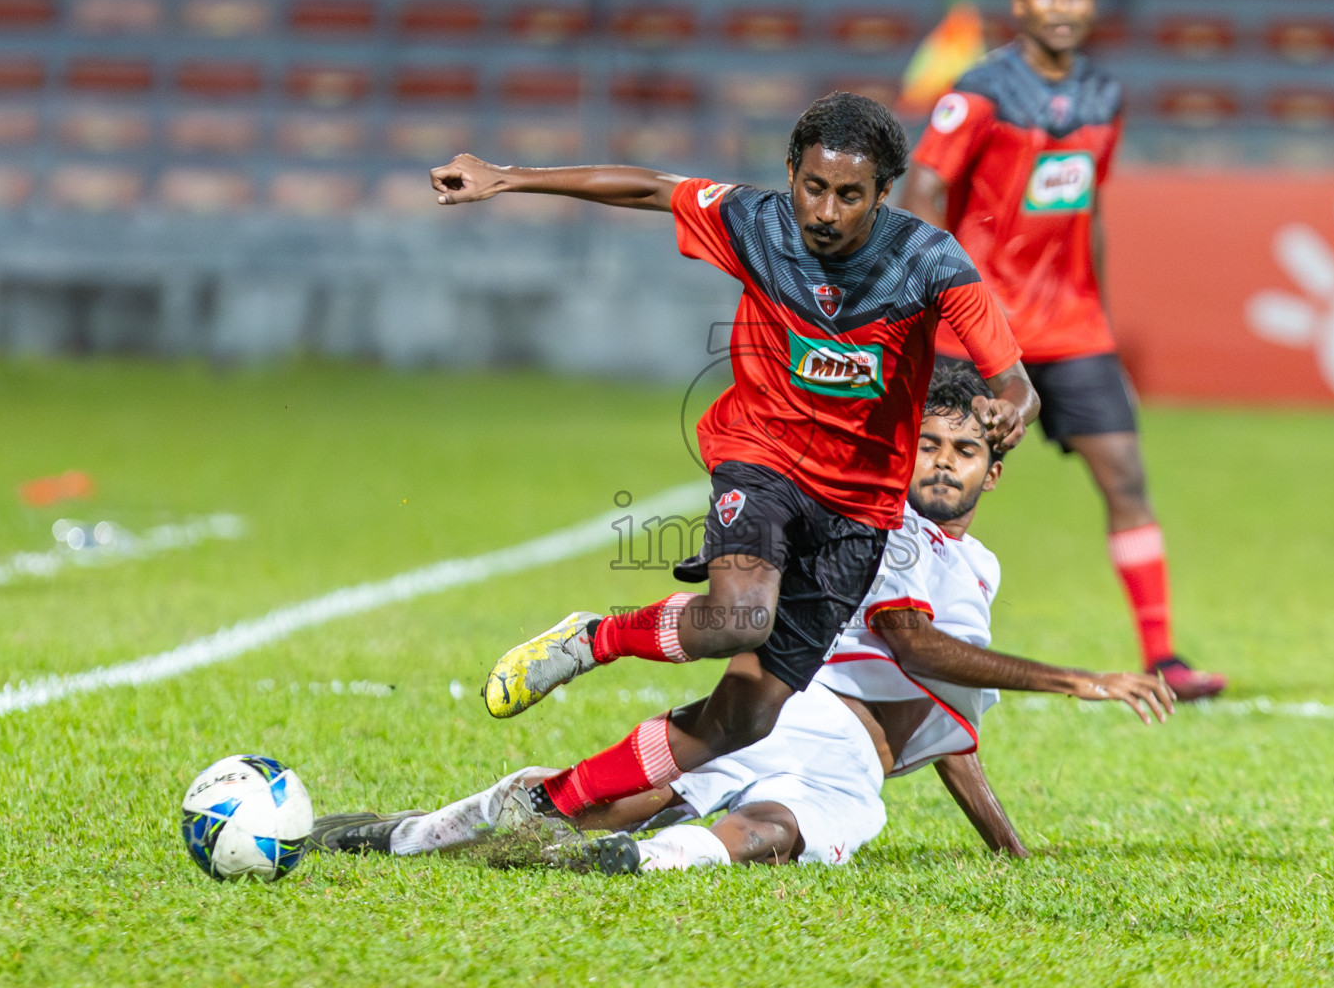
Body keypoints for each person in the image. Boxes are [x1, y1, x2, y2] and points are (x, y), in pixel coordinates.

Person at [426, 93, 1040, 829]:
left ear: (883, 195)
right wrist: (507, 177)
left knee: (747, 715)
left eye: (851, 196)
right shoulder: (756, 222)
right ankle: (598, 638)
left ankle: (553, 807)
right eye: (814, 187)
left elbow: (1013, 382)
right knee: (740, 615)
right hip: (762, 458)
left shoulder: (930, 261)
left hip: (861, 506)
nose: (826, 210)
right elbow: (652, 188)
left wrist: (1013, 408)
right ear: (791, 174)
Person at [309, 368, 1173, 869]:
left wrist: (1007, 854)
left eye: (965, 452)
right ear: (903, 454)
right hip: (820, 728)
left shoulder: (973, 562)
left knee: (613, 813)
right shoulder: (892, 529)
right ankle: (627, 848)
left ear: (993, 472)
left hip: (805, 726)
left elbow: (947, 725)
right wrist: (1078, 680)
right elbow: (913, 646)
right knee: (775, 832)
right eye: (930, 448)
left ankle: (415, 835)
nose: (944, 466)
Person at [899, 0, 1226, 700]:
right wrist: (930, 300)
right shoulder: (980, 91)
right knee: (936, 483)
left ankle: (1164, 658)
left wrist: (1100, 313)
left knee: (1126, 477)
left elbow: (1091, 208)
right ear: (1019, 2)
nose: (1060, 6)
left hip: (1075, 331)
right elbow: (923, 186)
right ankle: (899, 622)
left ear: (1092, 5)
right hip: (979, 329)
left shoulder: (1104, 96)